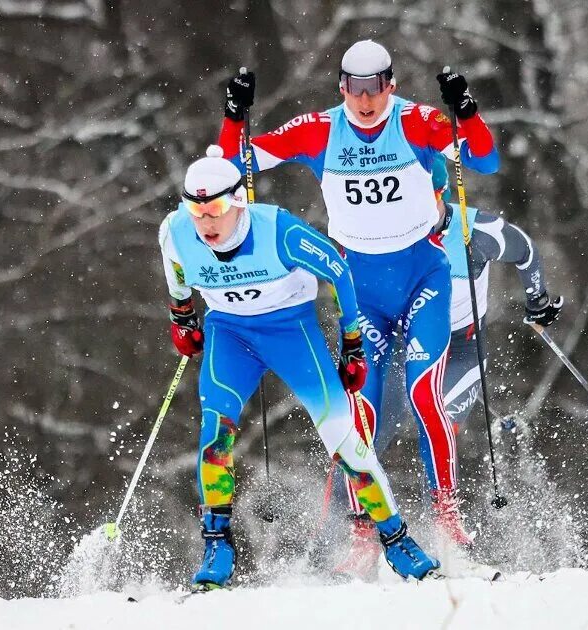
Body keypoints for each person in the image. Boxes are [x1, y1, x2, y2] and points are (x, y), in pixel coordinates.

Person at [216, 39, 501, 559]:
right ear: (342, 88)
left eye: (375, 90)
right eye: (355, 90)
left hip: (423, 280)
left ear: (390, 85)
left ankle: (444, 510)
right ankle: (365, 528)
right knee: (359, 407)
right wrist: (234, 117)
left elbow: (484, 158)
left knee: (422, 396)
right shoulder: (319, 129)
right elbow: (238, 166)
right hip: (360, 291)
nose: (366, 101)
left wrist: (466, 112)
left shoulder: (416, 122)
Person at [159, 146, 440, 588]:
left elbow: (340, 272)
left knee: (342, 438)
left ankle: (396, 538)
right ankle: (217, 542)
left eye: (213, 208)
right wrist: (182, 315)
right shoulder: (176, 231)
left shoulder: (278, 231)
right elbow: (175, 269)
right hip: (230, 335)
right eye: (195, 210)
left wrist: (353, 344)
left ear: (237, 201)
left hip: (291, 332)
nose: (205, 222)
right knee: (215, 431)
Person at [431, 157, 562, 423]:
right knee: (376, 419)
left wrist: (537, 301)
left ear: (440, 192)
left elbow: (525, 249)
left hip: (461, 345)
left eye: (424, 196)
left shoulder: (476, 231)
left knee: (438, 418)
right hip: (403, 343)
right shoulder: (386, 236)